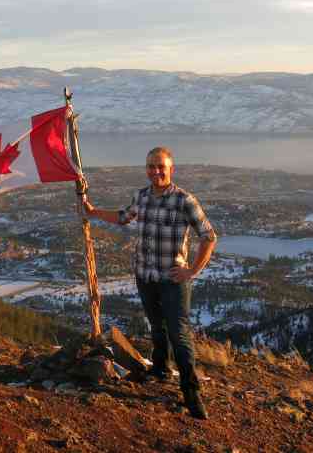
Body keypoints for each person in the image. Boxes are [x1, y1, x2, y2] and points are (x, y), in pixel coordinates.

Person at [83, 146, 217, 420]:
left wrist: (192, 270)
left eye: (161, 167)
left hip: (172, 280)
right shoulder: (141, 196)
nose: (156, 171)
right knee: (157, 325)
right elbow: (123, 217)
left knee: (179, 334)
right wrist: (94, 212)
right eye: (151, 167)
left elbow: (209, 236)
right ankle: (160, 368)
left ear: (171, 169)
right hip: (145, 275)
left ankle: (191, 391)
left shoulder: (184, 200)